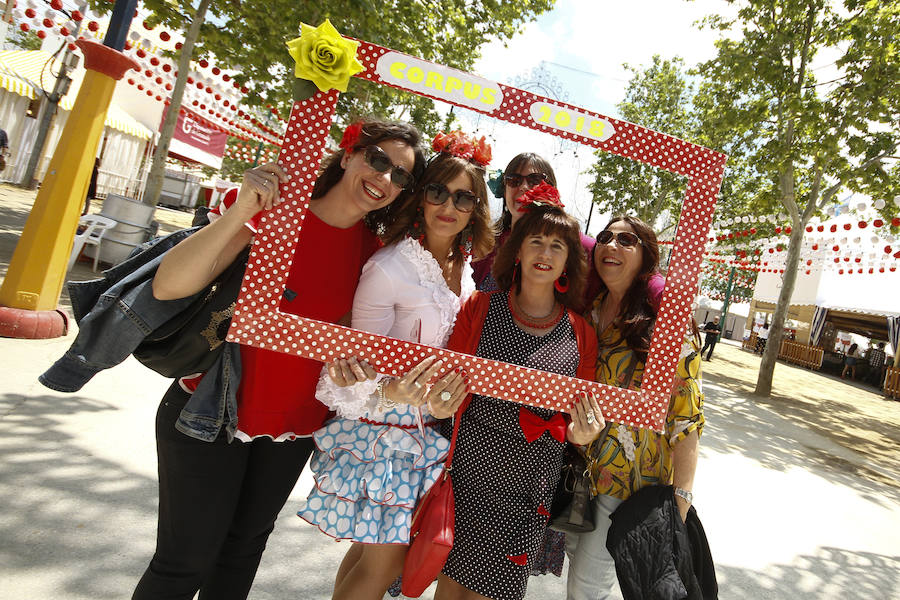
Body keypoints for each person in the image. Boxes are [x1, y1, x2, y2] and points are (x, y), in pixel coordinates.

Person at [135, 118, 427, 600]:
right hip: (213, 410)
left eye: (403, 177)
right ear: (349, 153)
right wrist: (243, 210)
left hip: (295, 428)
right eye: (379, 161)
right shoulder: (275, 214)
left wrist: (360, 372)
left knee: (241, 553)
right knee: (182, 562)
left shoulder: (376, 256)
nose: (386, 179)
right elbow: (168, 286)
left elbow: (361, 347)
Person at [297, 131, 494, 600]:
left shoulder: (463, 269)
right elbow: (347, 370)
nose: (449, 205)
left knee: (372, 558)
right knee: (383, 565)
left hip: (428, 433)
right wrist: (394, 393)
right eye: (437, 190)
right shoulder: (390, 266)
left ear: (476, 208)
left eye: (464, 197)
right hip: (382, 435)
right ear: (420, 196)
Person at [431, 187, 607, 600]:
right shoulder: (478, 307)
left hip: (531, 482)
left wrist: (583, 434)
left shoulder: (582, 333)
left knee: (495, 593)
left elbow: (579, 420)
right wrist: (439, 399)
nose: (545, 252)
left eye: (557, 245)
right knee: (451, 588)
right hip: (469, 470)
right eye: (536, 241)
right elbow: (448, 382)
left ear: (568, 261)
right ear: (519, 251)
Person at [565, 216, 705, 600]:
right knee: (579, 575)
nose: (611, 245)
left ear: (646, 257)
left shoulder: (664, 322)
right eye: (606, 238)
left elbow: (686, 418)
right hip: (582, 474)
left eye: (626, 240)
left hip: (630, 484)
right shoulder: (588, 311)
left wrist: (682, 499)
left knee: (585, 589)